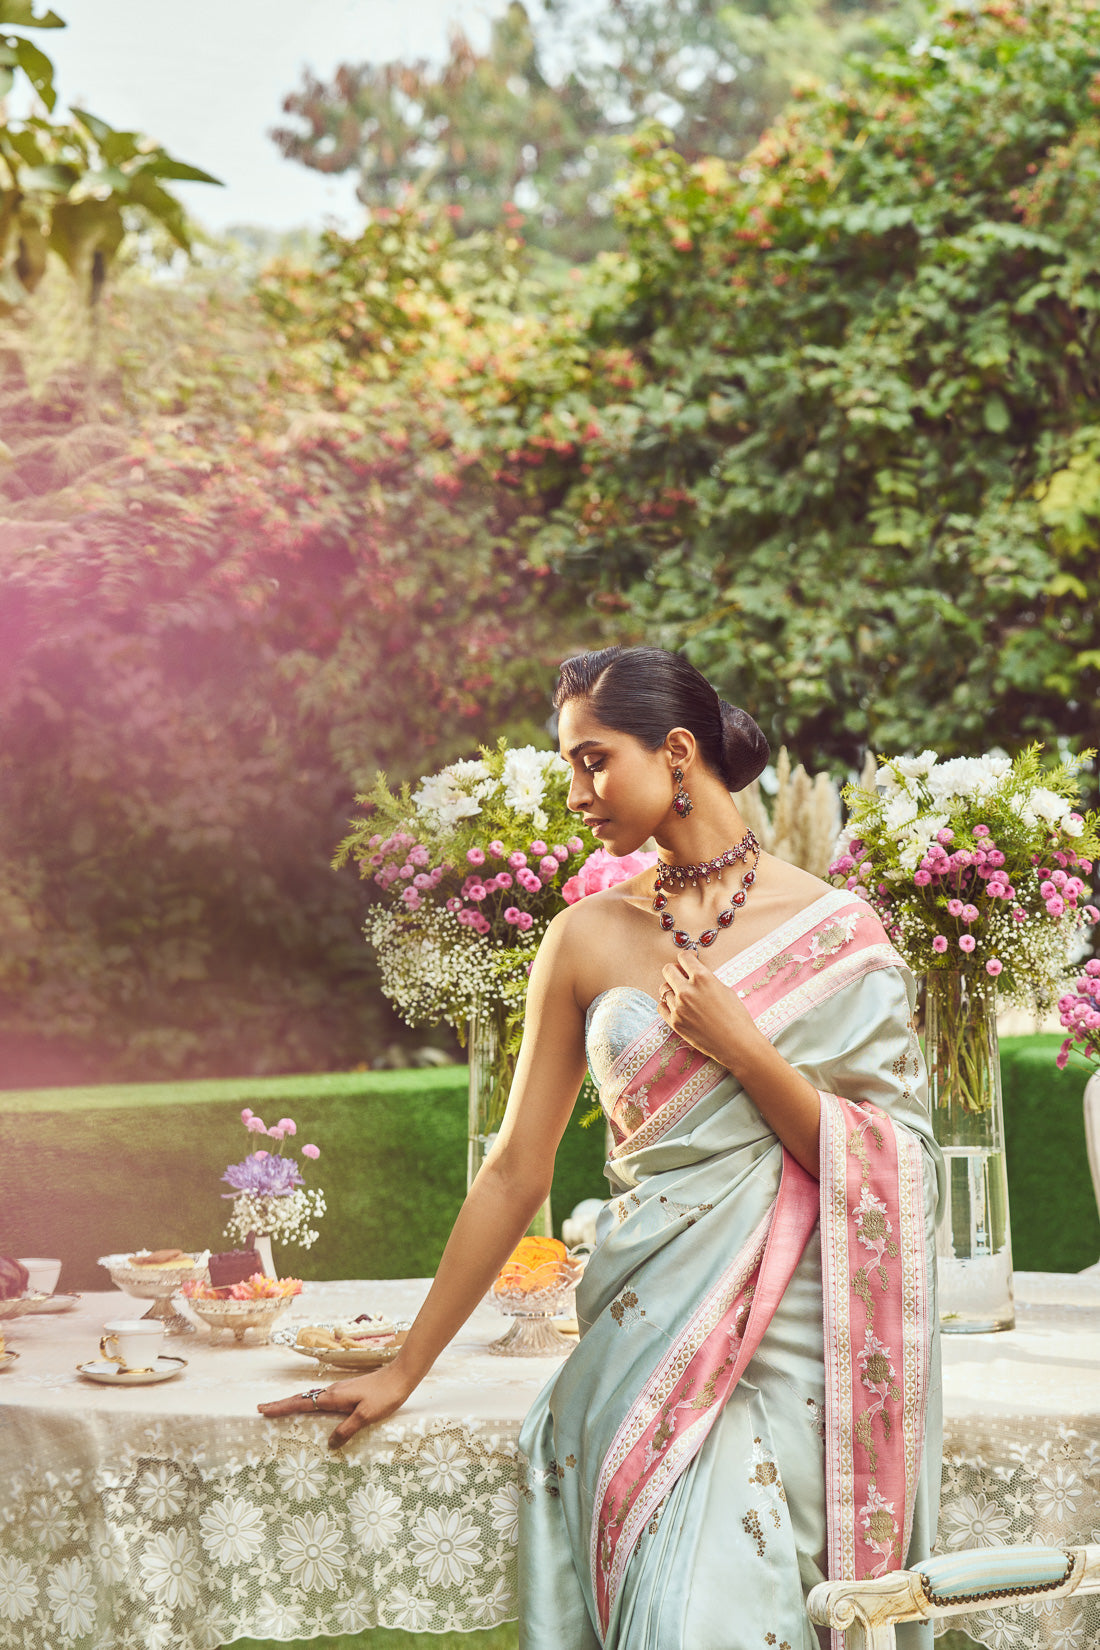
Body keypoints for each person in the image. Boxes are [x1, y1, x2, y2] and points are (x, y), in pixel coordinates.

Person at [259, 645, 943, 1650]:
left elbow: (901, 1166)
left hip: (807, 1344)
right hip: (649, 1325)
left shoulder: (837, 931)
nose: (575, 792)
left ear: (675, 754)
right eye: (568, 767)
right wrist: (406, 1364)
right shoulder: (584, 937)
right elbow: (513, 1169)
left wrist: (746, 1051)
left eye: (591, 760)